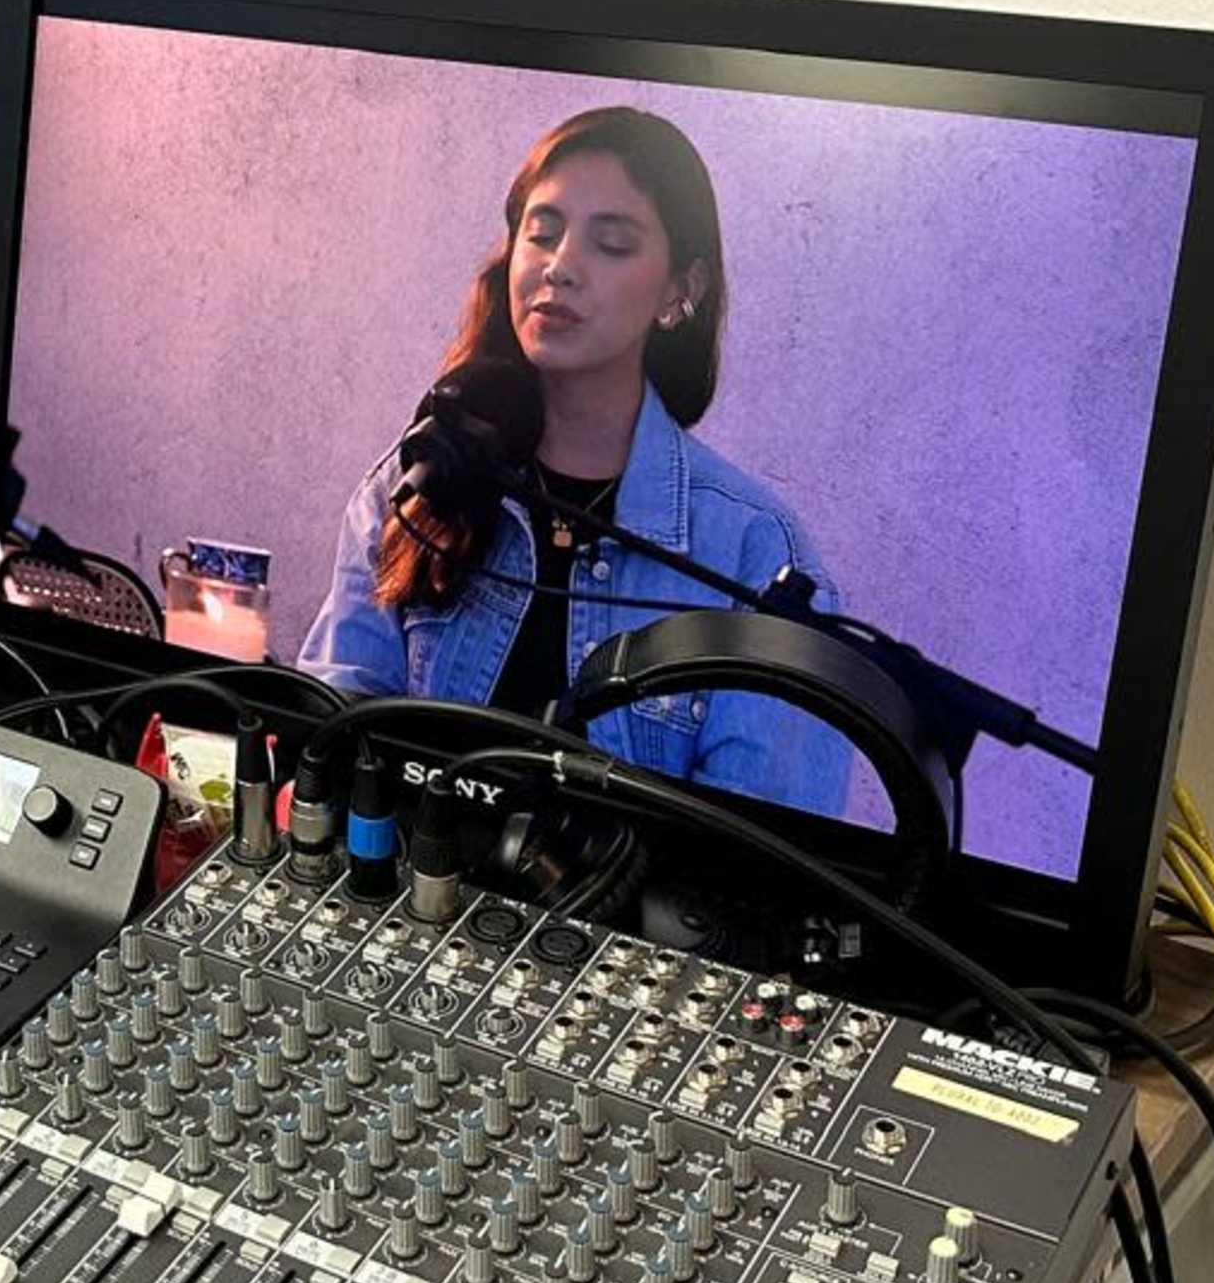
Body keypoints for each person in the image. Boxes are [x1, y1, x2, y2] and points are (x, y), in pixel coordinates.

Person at [297, 106, 855, 817]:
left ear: (681, 290)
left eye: (612, 244)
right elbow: (332, 741)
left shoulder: (756, 554)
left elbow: (753, 851)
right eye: (542, 233)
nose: (560, 267)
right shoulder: (413, 486)